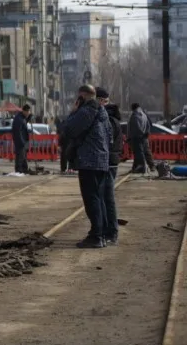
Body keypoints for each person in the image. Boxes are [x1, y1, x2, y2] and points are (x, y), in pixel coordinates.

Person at [61, 85, 113, 249]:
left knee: (91, 199)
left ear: (82, 96)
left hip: (89, 161)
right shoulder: (102, 112)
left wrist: (74, 111)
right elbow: (110, 135)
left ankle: (96, 236)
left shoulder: (86, 111)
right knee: (98, 198)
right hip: (101, 160)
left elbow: (69, 129)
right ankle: (102, 233)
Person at [100, 94, 123, 246]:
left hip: (109, 162)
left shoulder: (109, 120)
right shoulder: (113, 119)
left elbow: (107, 142)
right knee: (105, 197)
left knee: (108, 197)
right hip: (111, 161)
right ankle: (109, 229)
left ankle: (112, 231)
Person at [128, 102, 155, 174]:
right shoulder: (144, 114)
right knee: (146, 151)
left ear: (133, 108)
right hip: (145, 137)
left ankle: (142, 168)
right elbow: (149, 124)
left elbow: (134, 127)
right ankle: (151, 166)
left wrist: (130, 137)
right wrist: (147, 133)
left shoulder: (134, 116)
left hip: (137, 137)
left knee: (139, 153)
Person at [11, 104, 32, 173]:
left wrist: (29, 118)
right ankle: (19, 170)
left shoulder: (22, 118)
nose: (29, 113)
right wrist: (21, 141)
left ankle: (24, 169)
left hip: (23, 140)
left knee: (23, 156)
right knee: (20, 156)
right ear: (24, 111)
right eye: (28, 112)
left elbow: (24, 123)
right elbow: (18, 131)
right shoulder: (19, 119)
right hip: (20, 141)